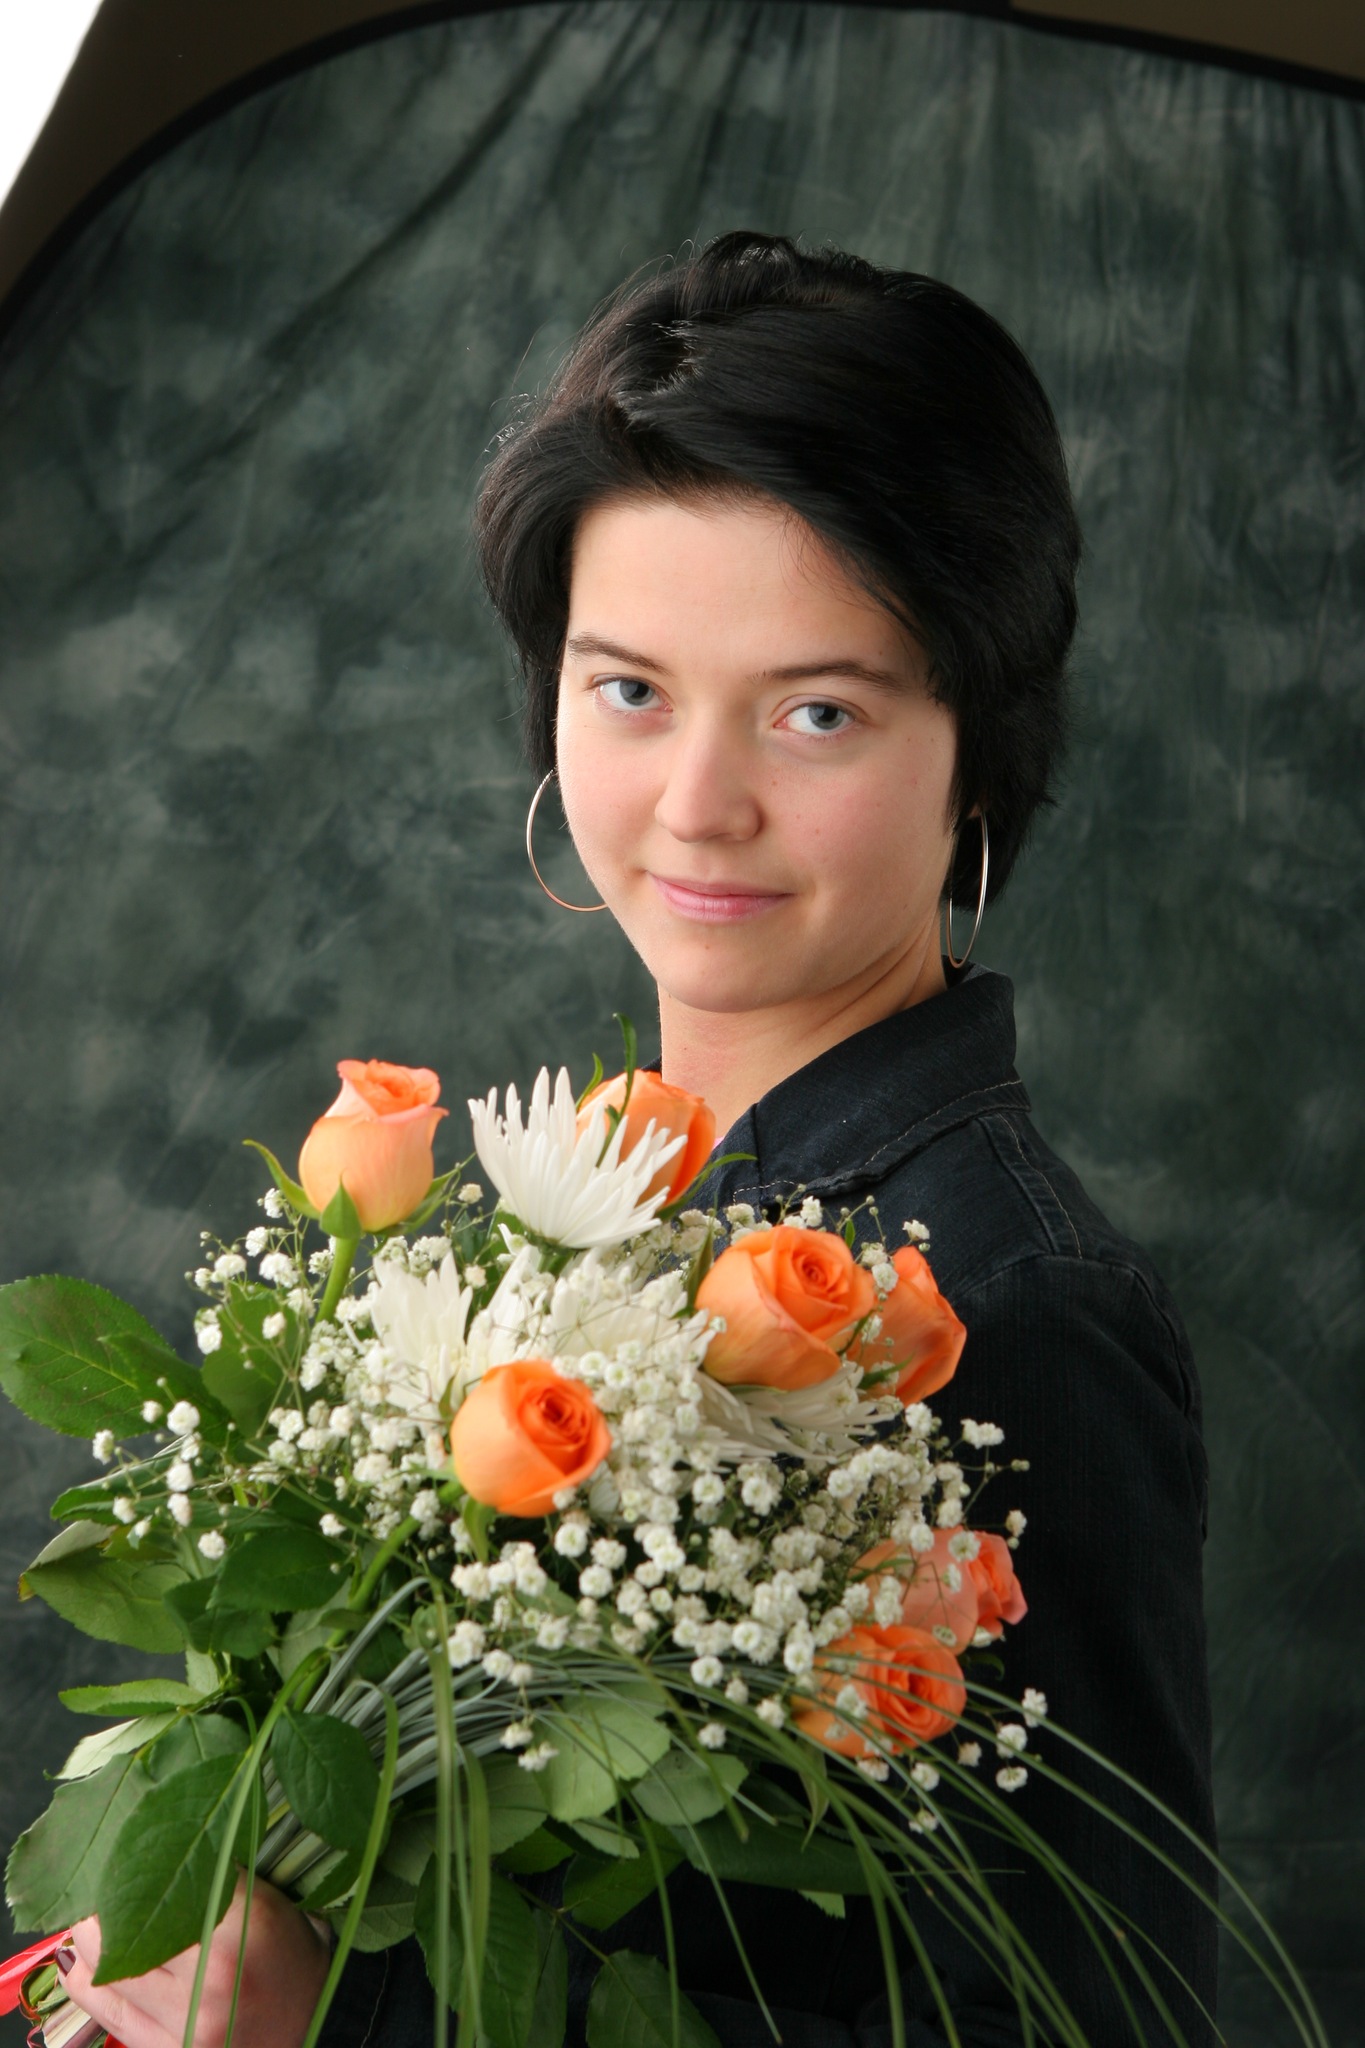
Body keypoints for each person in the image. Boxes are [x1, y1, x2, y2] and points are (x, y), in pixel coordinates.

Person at [56, 232, 1216, 2046]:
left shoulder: (1010, 1306)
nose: (695, 803)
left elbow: (1096, 2020)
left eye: (816, 711)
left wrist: (347, 2023)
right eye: (629, 690)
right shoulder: (613, 1212)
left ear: (977, 751)